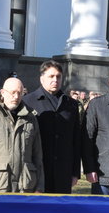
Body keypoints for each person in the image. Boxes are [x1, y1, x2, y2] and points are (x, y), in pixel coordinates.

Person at [0, 77, 45, 193]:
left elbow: (37, 155)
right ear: (3, 93)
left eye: (20, 93)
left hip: (25, 188)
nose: (16, 97)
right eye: (13, 92)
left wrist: (40, 187)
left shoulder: (31, 119)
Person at [22, 61, 81, 194]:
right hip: (38, 168)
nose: (55, 80)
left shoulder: (71, 104)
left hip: (63, 170)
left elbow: (76, 140)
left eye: (58, 76)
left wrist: (75, 172)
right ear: (42, 78)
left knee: (60, 210)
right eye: (51, 76)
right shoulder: (28, 102)